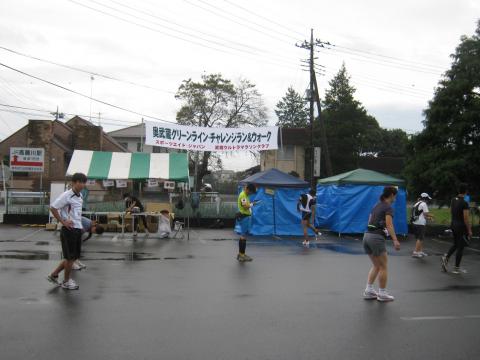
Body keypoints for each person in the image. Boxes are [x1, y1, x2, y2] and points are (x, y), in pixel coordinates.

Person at [46, 173, 87, 290]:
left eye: (84, 182)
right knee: (70, 258)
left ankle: (53, 275)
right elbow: (53, 208)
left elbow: (76, 214)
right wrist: (63, 221)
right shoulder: (67, 195)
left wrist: (80, 226)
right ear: (74, 182)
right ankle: (66, 281)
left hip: (77, 229)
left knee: (72, 257)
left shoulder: (80, 196)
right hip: (69, 230)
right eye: (80, 182)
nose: (83, 184)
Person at [362, 186, 401, 302]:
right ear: (392, 195)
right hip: (376, 238)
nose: (395, 198)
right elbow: (389, 225)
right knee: (383, 266)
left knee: (376, 265)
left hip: (367, 236)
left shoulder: (376, 205)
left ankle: (369, 290)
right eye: (395, 196)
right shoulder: (388, 207)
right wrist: (395, 240)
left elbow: (370, 221)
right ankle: (382, 293)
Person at [441, 184, 472, 274]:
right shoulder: (465, 203)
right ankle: (456, 268)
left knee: (455, 244)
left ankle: (446, 257)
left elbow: (451, 212)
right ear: (465, 191)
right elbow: (466, 218)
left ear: (458, 191)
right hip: (461, 227)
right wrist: (469, 230)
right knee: (460, 247)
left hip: (453, 225)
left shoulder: (453, 200)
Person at [236, 184, 258, 262]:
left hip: (245, 216)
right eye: (251, 192)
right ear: (248, 189)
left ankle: (242, 254)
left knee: (244, 235)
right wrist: (252, 204)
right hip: (244, 216)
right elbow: (245, 206)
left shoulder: (245, 195)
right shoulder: (243, 195)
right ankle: (241, 255)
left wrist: (251, 203)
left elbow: (246, 205)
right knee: (243, 235)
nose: (251, 194)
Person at [411, 193, 434, 258]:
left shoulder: (417, 203)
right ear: (425, 198)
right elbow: (426, 213)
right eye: (427, 199)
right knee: (420, 238)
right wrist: (432, 215)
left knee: (419, 238)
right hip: (420, 223)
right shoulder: (424, 204)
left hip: (415, 222)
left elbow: (422, 214)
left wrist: (429, 218)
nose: (428, 200)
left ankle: (420, 251)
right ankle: (415, 252)